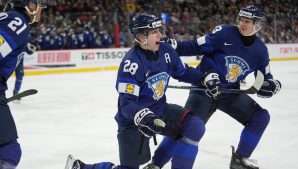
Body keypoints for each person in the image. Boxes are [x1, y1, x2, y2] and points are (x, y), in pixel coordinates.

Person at [65, 14, 223, 169]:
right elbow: (127, 104)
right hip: (132, 121)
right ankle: (81, 167)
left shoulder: (166, 51)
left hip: (159, 110)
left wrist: (204, 78)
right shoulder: (131, 63)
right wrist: (143, 116)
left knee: (194, 126)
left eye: (159, 30)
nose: (160, 35)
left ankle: (155, 165)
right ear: (141, 37)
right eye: (154, 32)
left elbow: (182, 72)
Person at [144, 5, 282, 169]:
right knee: (186, 127)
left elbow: (266, 78)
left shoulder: (260, 51)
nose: (243, 24)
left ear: (257, 25)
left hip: (229, 94)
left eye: (248, 21)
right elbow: (196, 45)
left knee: (260, 117)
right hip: (204, 90)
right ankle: (156, 164)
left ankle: (240, 159)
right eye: (242, 20)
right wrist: (175, 47)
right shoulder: (224, 33)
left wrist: (272, 85)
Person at [0, 0, 45, 168]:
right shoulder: (18, 22)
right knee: (9, 152)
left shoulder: (10, 18)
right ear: (30, 6)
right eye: (39, 5)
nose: (40, 10)